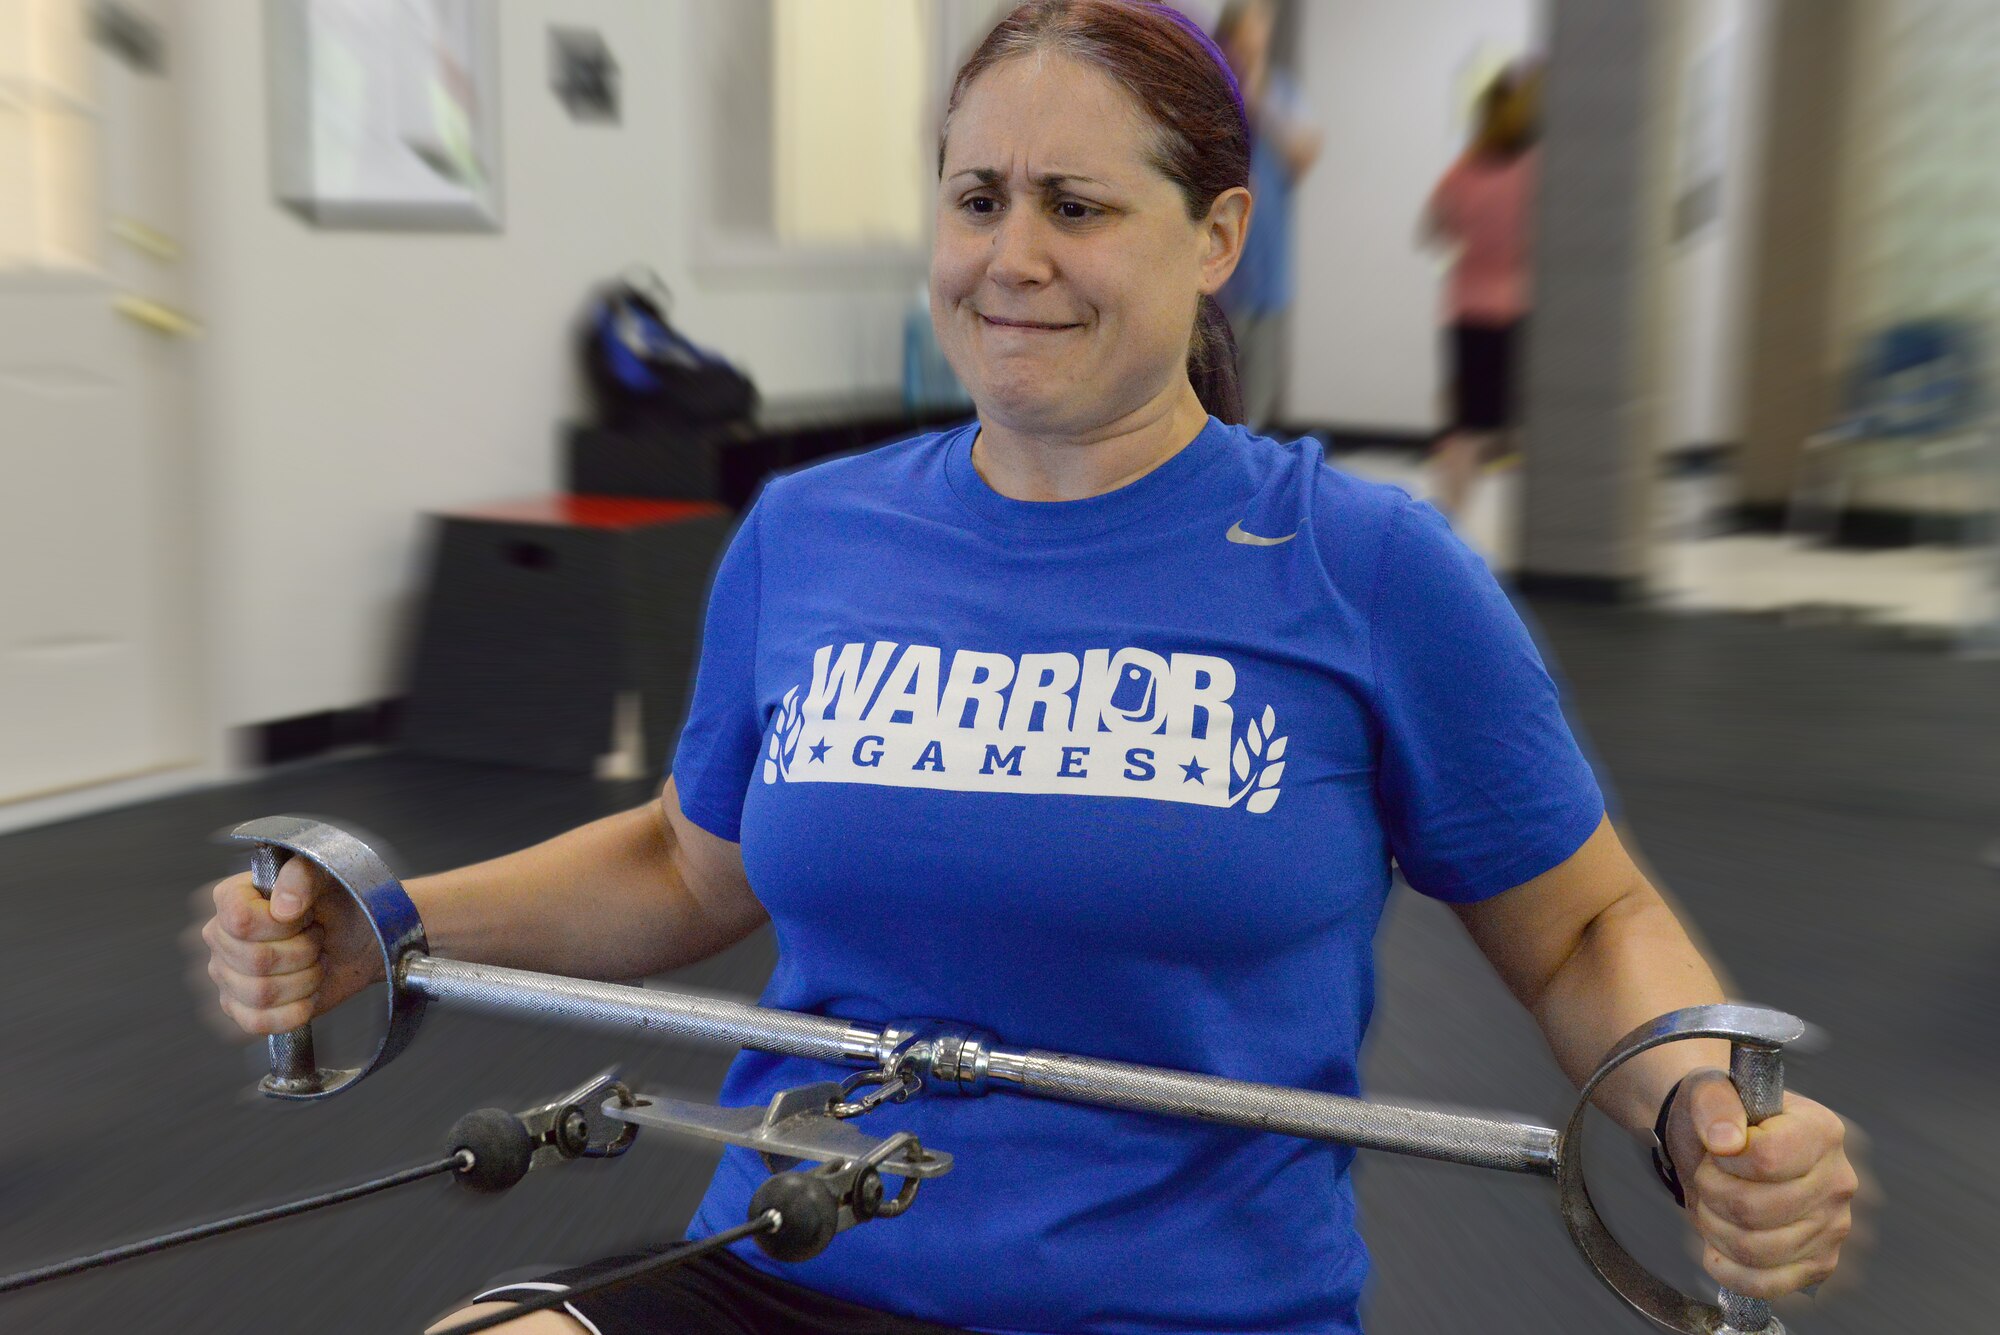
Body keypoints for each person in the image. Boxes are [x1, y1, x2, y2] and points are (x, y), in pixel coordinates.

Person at [199, 4, 1858, 1332]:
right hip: (792, 1262)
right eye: (978, 198)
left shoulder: (1364, 566)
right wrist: (389, 925)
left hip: (1176, 1310)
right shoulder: (808, 535)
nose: (1013, 257)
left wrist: (1703, 1110)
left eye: (1079, 206)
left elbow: (1581, 925)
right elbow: (688, 863)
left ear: (1216, 236)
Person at [1420, 65, 1540, 521]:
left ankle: (1449, 518)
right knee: (1512, 424)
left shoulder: (1464, 169)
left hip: (1466, 309)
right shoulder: (1534, 167)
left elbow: (1433, 229)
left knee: (1466, 427)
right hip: (1515, 309)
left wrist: (1471, 238)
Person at [1213, 0, 1321, 434]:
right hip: (1217, 279)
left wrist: (1258, 94)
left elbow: (1304, 154)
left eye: (1264, 23)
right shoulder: (1213, 88)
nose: (1260, 33)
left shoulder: (1280, 92)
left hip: (1269, 275)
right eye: (1253, 23)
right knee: (1217, 388)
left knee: (1258, 397)